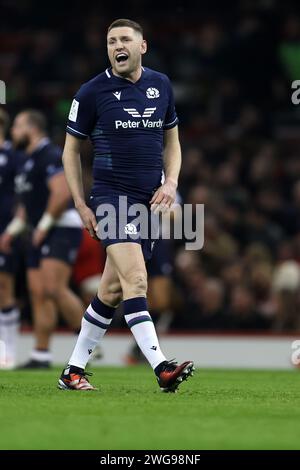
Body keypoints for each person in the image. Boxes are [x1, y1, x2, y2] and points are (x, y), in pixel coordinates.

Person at [58, 18, 194, 392]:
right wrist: (80, 204)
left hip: (149, 201)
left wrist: (172, 182)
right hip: (110, 198)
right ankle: (161, 366)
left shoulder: (161, 84)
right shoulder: (91, 92)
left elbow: (173, 142)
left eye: (124, 39)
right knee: (136, 280)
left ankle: (72, 371)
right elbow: (70, 150)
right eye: (110, 41)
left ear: (141, 47)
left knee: (112, 292)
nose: (116, 45)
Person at [0, 110, 84, 368]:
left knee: (53, 288)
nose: (13, 131)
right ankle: (41, 353)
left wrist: (44, 226)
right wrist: (11, 232)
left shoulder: (49, 154)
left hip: (61, 227)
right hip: (40, 229)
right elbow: (27, 204)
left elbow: (60, 193)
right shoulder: (28, 160)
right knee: (38, 293)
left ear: (32, 129)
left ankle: (89, 341)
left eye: (17, 126)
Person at [0, 108, 20, 369]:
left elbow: (21, 198)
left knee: (4, 288)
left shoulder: (13, 157)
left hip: (5, 231)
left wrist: (14, 229)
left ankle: (9, 350)